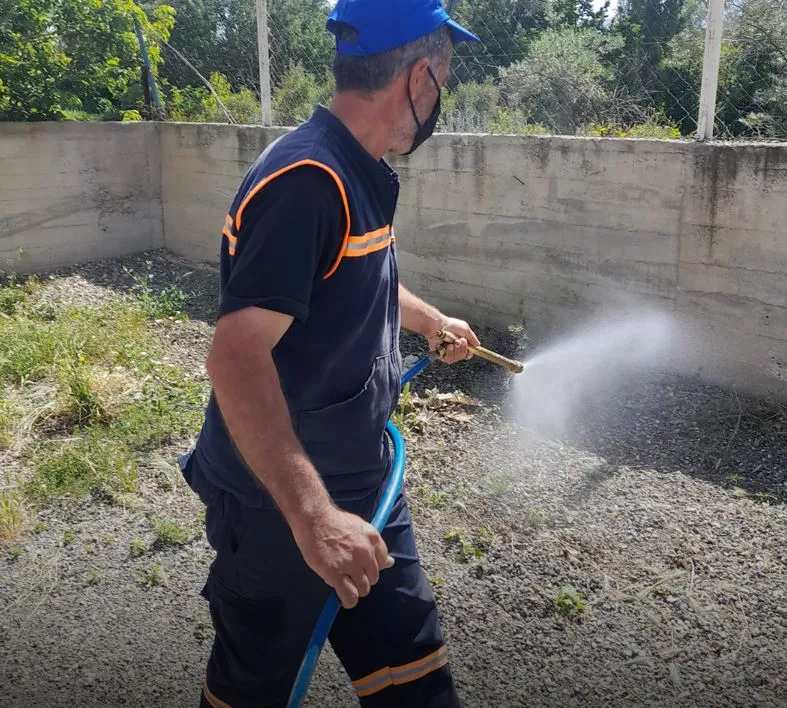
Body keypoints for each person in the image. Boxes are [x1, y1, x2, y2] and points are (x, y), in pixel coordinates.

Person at [179, 1, 482, 705]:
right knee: (249, 691)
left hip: (363, 485)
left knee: (417, 683)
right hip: (279, 507)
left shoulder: (355, 167)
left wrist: (429, 319)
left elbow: (355, 275)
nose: (441, 95)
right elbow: (234, 356)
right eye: (442, 76)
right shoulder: (308, 183)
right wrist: (313, 519)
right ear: (417, 77)